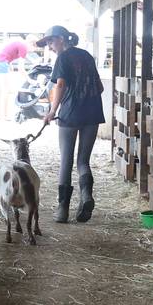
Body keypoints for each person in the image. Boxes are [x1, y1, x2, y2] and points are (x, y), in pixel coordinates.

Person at [39, 25, 105, 223]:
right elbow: (100, 87)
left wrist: (52, 111)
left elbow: (60, 84)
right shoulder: (86, 56)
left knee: (66, 161)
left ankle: (62, 210)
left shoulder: (63, 58)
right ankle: (86, 196)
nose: (49, 46)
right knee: (83, 161)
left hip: (70, 113)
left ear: (61, 39)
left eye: (51, 41)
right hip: (93, 112)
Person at [0, 37, 29, 120]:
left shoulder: (20, 42)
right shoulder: (24, 47)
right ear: (32, 44)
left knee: (0, 91)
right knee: (6, 90)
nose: (33, 50)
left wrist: (10, 64)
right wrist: (29, 80)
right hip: (2, 63)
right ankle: (5, 115)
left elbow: (8, 50)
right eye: (35, 47)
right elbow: (21, 68)